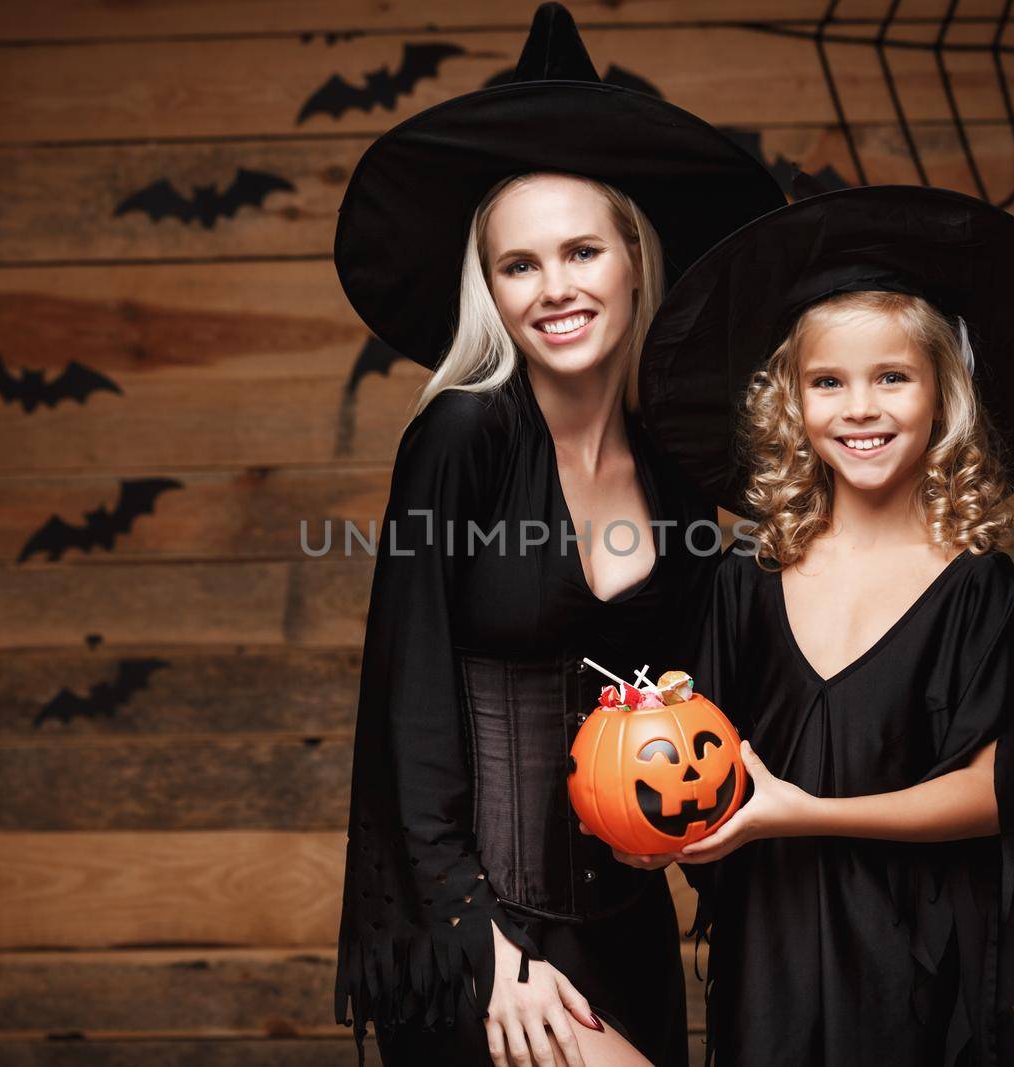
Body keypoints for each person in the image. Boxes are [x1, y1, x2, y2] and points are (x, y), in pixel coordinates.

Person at [330, 5, 786, 1065]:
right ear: (486, 287)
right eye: (519, 265)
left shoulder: (676, 455)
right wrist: (481, 949)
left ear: (635, 258)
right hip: (484, 937)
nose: (555, 289)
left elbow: (688, 687)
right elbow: (409, 715)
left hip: (628, 924)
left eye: (581, 250)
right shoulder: (458, 436)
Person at [632, 186, 1014, 1065]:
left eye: (893, 376)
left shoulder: (974, 588)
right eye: (828, 382)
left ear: (941, 395)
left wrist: (805, 813)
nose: (861, 408)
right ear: (791, 405)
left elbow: (992, 791)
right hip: (770, 945)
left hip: (918, 952)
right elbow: (696, 760)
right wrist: (652, 828)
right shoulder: (745, 582)